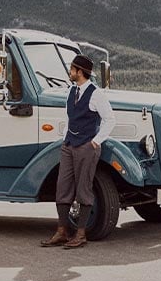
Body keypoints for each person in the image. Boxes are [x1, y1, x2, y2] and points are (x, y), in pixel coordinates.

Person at [41, 54, 116, 249]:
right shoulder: (71, 91)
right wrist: (66, 138)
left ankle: (80, 234)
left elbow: (110, 120)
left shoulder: (96, 94)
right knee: (62, 187)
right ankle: (62, 231)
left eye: (72, 69)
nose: (70, 72)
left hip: (86, 146)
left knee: (84, 188)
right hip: (69, 145)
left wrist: (95, 142)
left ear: (80, 72)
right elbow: (70, 117)